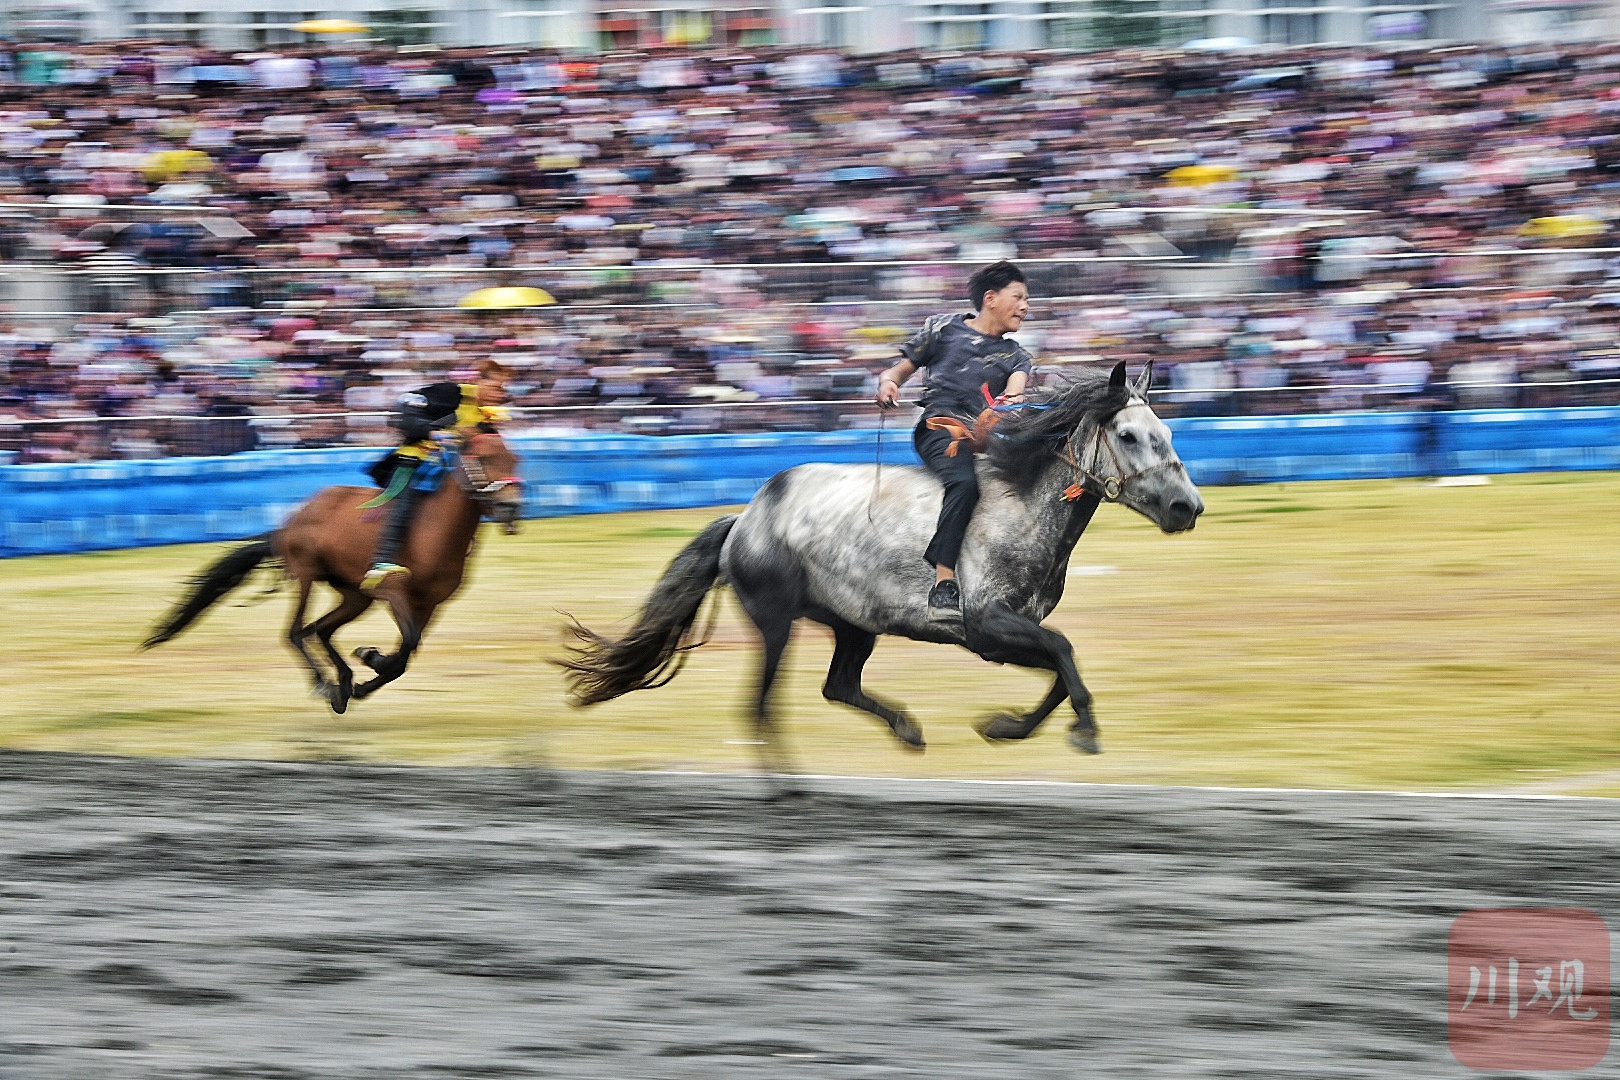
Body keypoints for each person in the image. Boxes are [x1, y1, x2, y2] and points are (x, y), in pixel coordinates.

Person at [876, 260, 1033, 621]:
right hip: (940, 429)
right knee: (964, 483)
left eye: (1027, 299)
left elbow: (1015, 393)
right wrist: (889, 383)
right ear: (990, 298)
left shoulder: (1017, 356)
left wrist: (1007, 407)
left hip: (989, 438)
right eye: (1019, 297)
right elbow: (897, 371)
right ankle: (944, 582)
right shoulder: (942, 329)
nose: (1026, 306)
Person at [360, 359, 510, 594]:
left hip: (448, 472)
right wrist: (431, 431)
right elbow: (405, 406)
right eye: (495, 387)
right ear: (477, 381)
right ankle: (381, 561)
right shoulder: (451, 394)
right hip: (414, 462)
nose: (499, 394)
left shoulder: (485, 418)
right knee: (406, 500)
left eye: (503, 389)